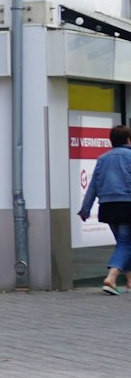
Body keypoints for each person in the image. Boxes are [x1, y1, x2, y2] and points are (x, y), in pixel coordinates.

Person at [77, 122, 131, 295]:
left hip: (108, 207)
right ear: (128, 140)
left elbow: (93, 185)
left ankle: (130, 282)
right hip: (127, 205)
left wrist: (85, 209)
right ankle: (111, 278)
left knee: (123, 244)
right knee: (126, 244)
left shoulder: (103, 159)